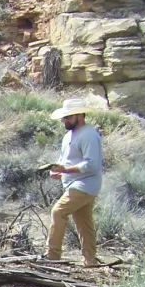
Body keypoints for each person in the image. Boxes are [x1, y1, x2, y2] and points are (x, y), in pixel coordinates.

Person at [46, 97, 103, 267]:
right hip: (75, 183)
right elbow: (66, 160)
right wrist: (58, 171)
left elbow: (91, 164)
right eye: (64, 117)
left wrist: (64, 171)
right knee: (84, 222)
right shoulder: (68, 136)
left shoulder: (89, 134)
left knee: (58, 212)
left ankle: (52, 255)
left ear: (79, 115)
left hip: (85, 184)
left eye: (68, 117)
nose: (64, 120)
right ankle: (90, 259)